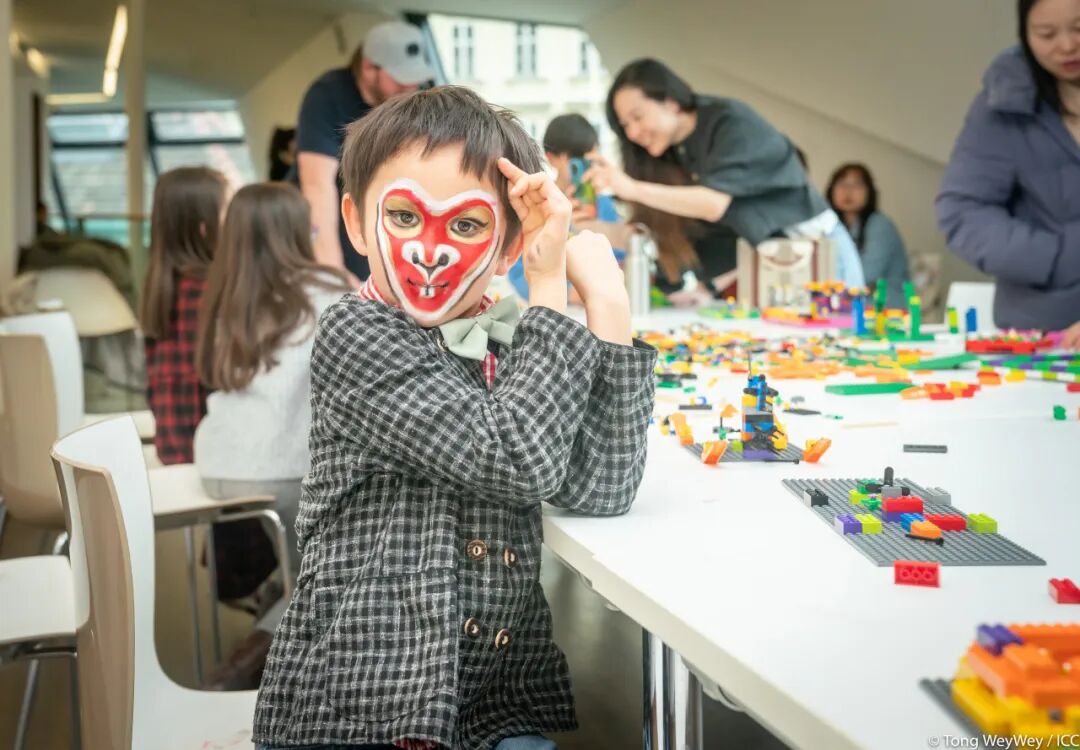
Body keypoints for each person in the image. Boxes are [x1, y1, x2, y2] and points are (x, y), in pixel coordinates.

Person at [252, 86, 656, 750]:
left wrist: (609, 307)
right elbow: (518, 461)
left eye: (466, 226)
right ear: (356, 222)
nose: (430, 249)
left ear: (507, 247)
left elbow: (600, 488)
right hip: (362, 708)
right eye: (403, 216)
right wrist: (548, 286)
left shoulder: (504, 337)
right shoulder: (357, 333)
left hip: (488, 706)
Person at [193, 183, 351, 687]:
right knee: (336, 572)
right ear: (297, 231)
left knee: (302, 569)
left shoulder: (226, 295)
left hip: (218, 466)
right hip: (287, 470)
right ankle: (245, 663)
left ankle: (268, 625)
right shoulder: (328, 292)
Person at [587, 58, 866, 304]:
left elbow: (713, 205)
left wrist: (632, 188)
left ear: (671, 102)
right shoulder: (673, 153)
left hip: (820, 255)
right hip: (771, 266)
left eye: (637, 117)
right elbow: (662, 232)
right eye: (625, 125)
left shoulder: (731, 123)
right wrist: (592, 225)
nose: (633, 133)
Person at [937, 0, 1080, 344]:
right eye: (1046, 34)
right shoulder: (1004, 102)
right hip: (1044, 332)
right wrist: (1058, 257)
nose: (1066, 45)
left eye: (1079, 28)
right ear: (1024, 34)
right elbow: (962, 211)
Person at [296, 21, 435, 282]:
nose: (411, 87)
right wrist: (334, 274)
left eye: (415, 78)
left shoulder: (414, 96)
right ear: (369, 68)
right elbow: (317, 186)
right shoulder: (328, 95)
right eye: (401, 79)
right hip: (333, 219)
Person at [140, 166, 227, 465]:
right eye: (227, 213)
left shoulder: (161, 287)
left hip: (173, 450)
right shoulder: (210, 291)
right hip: (207, 457)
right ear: (204, 228)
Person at [506, 113, 631, 302]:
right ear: (551, 158)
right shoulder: (537, 204)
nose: (583, 168)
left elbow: (623, 258)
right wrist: (568, 293)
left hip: (600, 303)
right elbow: (517, 269)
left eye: (589, 160)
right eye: (575, 160)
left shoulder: (603, 204)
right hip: (553, 305)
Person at [827, 163, 911, 308]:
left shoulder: (880, 225)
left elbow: (864, 276)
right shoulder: (832, 226)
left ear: (869, 192)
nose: (848, 191)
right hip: (849, 304)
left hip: (885, 308)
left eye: (857, 185)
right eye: (842, 184)